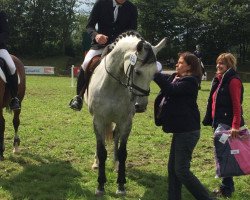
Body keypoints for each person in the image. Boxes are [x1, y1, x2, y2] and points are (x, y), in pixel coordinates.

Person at [154, 52, 213, 200]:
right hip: (181, 131)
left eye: (180, 63)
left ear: (189, 66)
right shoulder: (178, 78)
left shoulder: (191, 81)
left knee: (181, 170)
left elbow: (170, 89)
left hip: (188, 132)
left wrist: (155, 73)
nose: (176, 65)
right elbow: (166, 81)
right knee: (173, 170)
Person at [69, 0, 138, 111]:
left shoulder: (132, 8)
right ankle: (79, 97)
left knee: (135, 66)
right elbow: (90, 26)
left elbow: (133, 31)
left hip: (121, 48)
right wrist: (96, 35)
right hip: (100, 46)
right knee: (86, 63)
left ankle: (136, 99)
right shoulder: (101, 3)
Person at [202, 53, 245, 198]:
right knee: (223, 154)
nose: (219, 66)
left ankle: (227, 189)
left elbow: (236, 106)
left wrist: (235, 126)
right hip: (219, 123)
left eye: (223, 63)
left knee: (225, 156)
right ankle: (227, 187)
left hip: (227, 125)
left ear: (230, 65)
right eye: (218, 62)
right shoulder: (220, 79)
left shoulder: (233, 81)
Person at [0, 10, 20, 110]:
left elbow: (5, 32)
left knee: (12, 67)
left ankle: (14, 98)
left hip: (0, 49)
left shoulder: (2, 14)